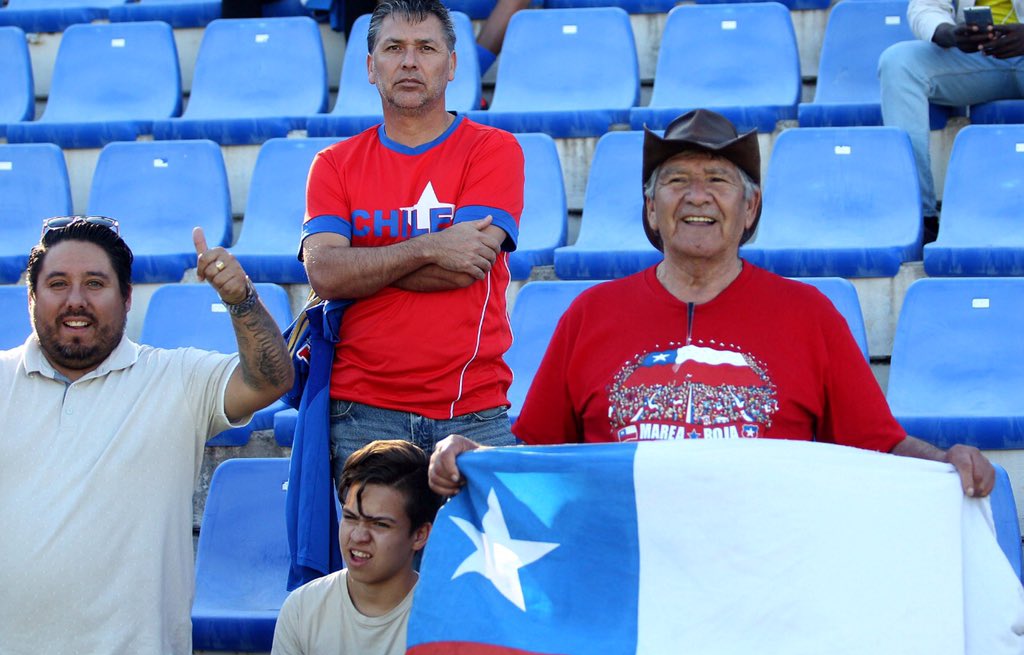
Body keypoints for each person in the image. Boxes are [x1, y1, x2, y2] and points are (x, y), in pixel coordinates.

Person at [428, 108, 995, 501]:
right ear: (651, 210)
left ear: (750, 210)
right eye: (676, 180)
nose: (697, 196)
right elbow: (535, 452)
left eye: (719, 180)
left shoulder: (810, 315)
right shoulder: (590, 315)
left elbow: (880, 444)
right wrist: (475, 456)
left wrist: (944, 462)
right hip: (628, 586)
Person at [0, 217, 293, 655]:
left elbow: (270, 380)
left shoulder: (174, 379)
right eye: (58, 284)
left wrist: (242, 300)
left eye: (95, 283)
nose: (76, 300)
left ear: (128, 297)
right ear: (32, 298)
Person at [300, 0, 525, 479]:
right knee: (377, 556)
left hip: (473, 410)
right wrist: (428, 246)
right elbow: (324, 272)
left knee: (483, 557)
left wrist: (361, 266)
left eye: (426, 48)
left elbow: (463, 266)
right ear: (369, 66)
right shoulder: (334, 164)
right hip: (362, 413)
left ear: (451, 65)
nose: (409, 62)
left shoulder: (493, 150)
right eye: (393, 48)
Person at [268, 439, 443, 655]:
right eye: (350, 517)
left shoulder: (444, 621)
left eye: (379, 524)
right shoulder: (302, 607)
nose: (358, 536)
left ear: (420, 534)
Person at [878, 0, 1024, 242]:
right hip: (977, 56)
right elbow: (924, 7)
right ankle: (919, 217)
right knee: (898, 63)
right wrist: (949, 33)